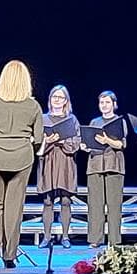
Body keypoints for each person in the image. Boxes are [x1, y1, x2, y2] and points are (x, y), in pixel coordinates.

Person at [0, 60, 44, 268]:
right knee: (14, 207)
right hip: (22, 158)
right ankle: (9, 255)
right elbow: (39, 139)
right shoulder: (33, 106)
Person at [80, 91, 127, 248]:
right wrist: (85, 146)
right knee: (95, 204)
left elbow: (121, 144)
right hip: (95, 165)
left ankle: (114, 240)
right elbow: (89, 142)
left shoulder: (119, 121)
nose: (104, 105)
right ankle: (95, 238)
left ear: (114, 104)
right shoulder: (95, 121)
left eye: (107, 102)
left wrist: (107, 140)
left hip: (114, 165)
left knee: (114, 205)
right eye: (101, 102)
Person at [38, 85, 81, 248]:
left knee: (65, 200)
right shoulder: (43, 119)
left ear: (66, 101)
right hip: (48, 161)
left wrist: (63, 141)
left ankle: (65, 236)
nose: (57, 100)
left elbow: (76, 142)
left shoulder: (72, 119)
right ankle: (46, 237)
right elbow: (36, 142)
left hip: (65, 161)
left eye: (60, 97)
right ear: (50, 100)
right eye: (54, 97)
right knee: (47, 201)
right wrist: (47, 141)